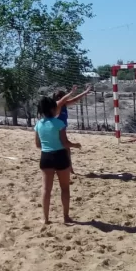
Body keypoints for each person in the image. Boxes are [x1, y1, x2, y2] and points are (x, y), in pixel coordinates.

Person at [34, 96, 81, 224]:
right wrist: (75, 145)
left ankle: (45, 219)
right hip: (60, 156)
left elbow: (37, 145)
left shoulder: (38, 124)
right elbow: (65, 143)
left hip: (46, 157)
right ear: (53, 109)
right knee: (65, 188)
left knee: (46, 189)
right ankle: (65, 217)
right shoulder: (59, 123)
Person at [53, 84, 93, 176]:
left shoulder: (63, 105)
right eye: (64, 97)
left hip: (61, 130)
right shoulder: (56, 105)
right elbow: (70, 99)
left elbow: (75, 99)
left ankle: (69, 169)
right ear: (60, 98)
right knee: (62, 149)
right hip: (56, 131)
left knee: (65, 150)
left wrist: (85, 92)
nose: (67, 99)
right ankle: (62, 169)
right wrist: (73, 92)